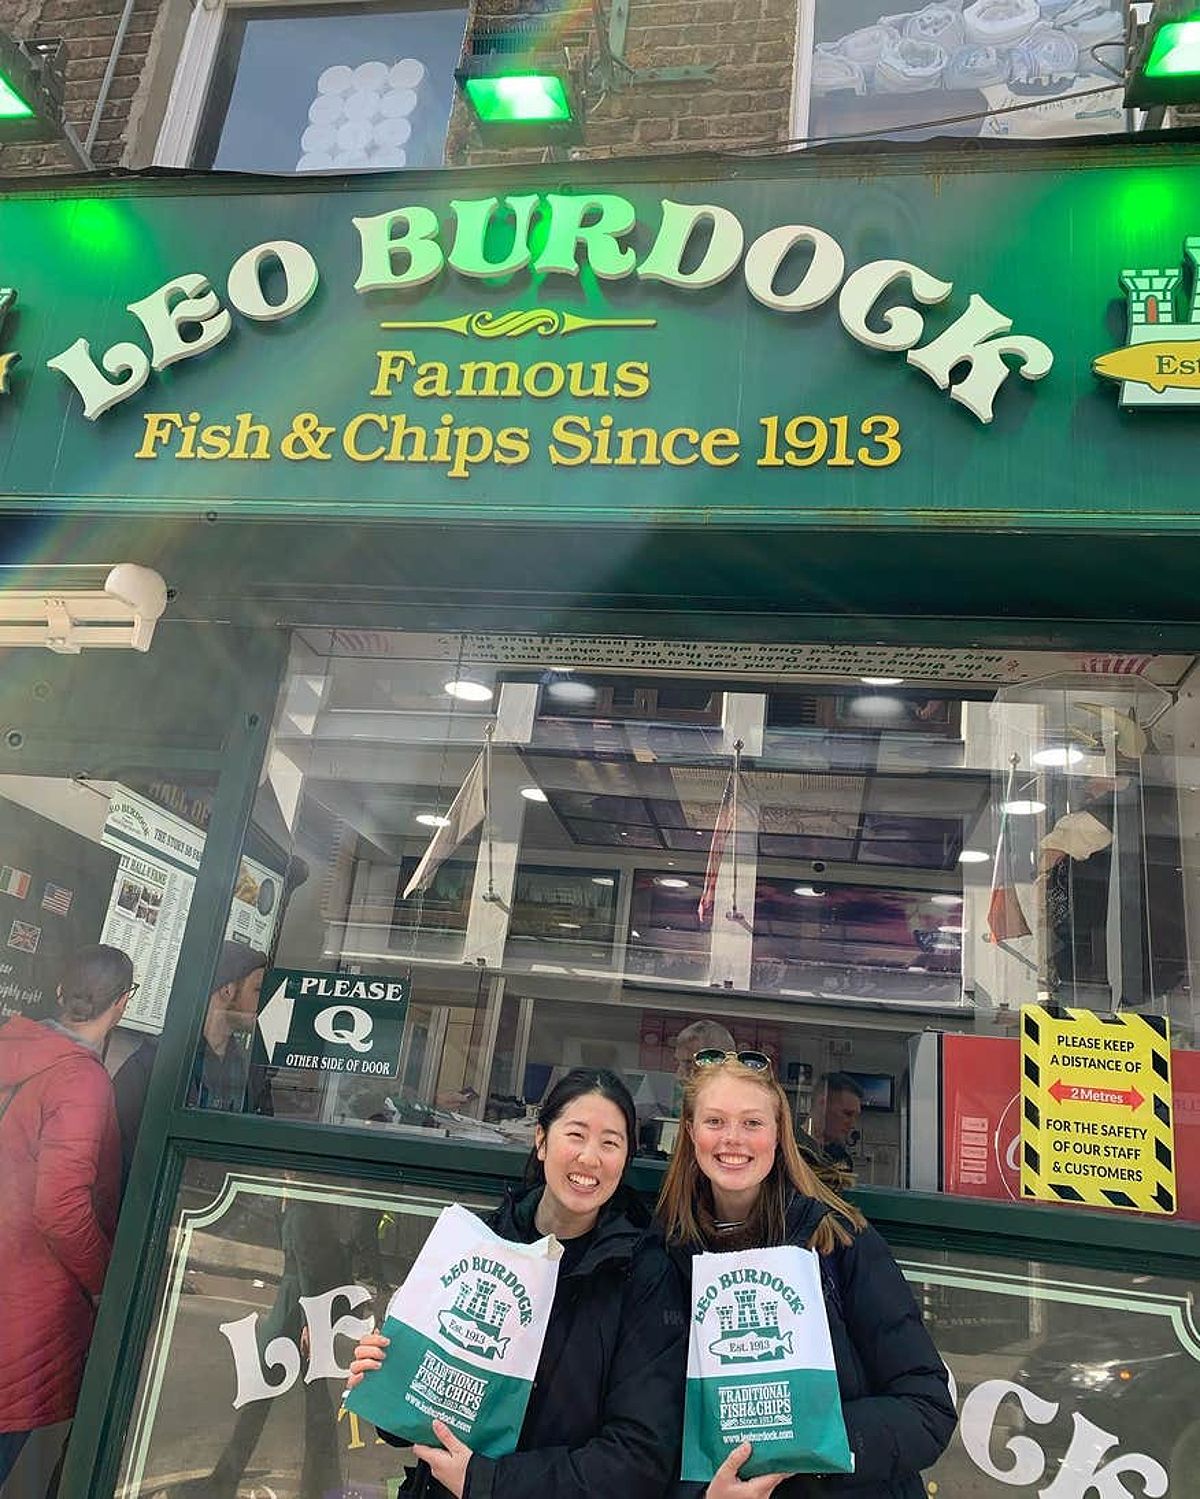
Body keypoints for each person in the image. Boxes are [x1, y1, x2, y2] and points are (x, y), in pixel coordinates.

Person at [347, 1067, 687, 1499]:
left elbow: (638, 1459)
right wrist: (387, 1375)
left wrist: (487, 1483)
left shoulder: (645, 1275)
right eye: (576, 1135)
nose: (589, 1158)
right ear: (542, 1141)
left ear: (625, 1160)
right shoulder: (478, 1243)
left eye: (610, 1143)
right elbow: (415, 1422)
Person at [659, 1052, 955, 1498]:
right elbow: (650, 1427)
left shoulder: (839, 1241)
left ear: (779, 1134)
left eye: (752, 1123)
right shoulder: (664, 1255)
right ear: (690, 1131)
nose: (733, 1140)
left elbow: (927, 1408)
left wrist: (815, 1447)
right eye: (715, 1121)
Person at [0, 944, 134, 1492]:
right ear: (123, 1005)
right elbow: (60, 1206)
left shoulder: (10, 1045)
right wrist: (106, 1282)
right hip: (24, 1300)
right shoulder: (82, 1081)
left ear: (58, 992)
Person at [113, 941, 270, 1182]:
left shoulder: (252, 1073)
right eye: (258, 990)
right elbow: (121, 1156)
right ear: (227, 990)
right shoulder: (154, 1064)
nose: (265, 1000)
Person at [809, 1072, 864, 1170]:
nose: (852, 1124)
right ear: (822, 1105)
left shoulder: (842, 1159)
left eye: (855, 1117)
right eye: (847, 1114)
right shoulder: (790, 1149)